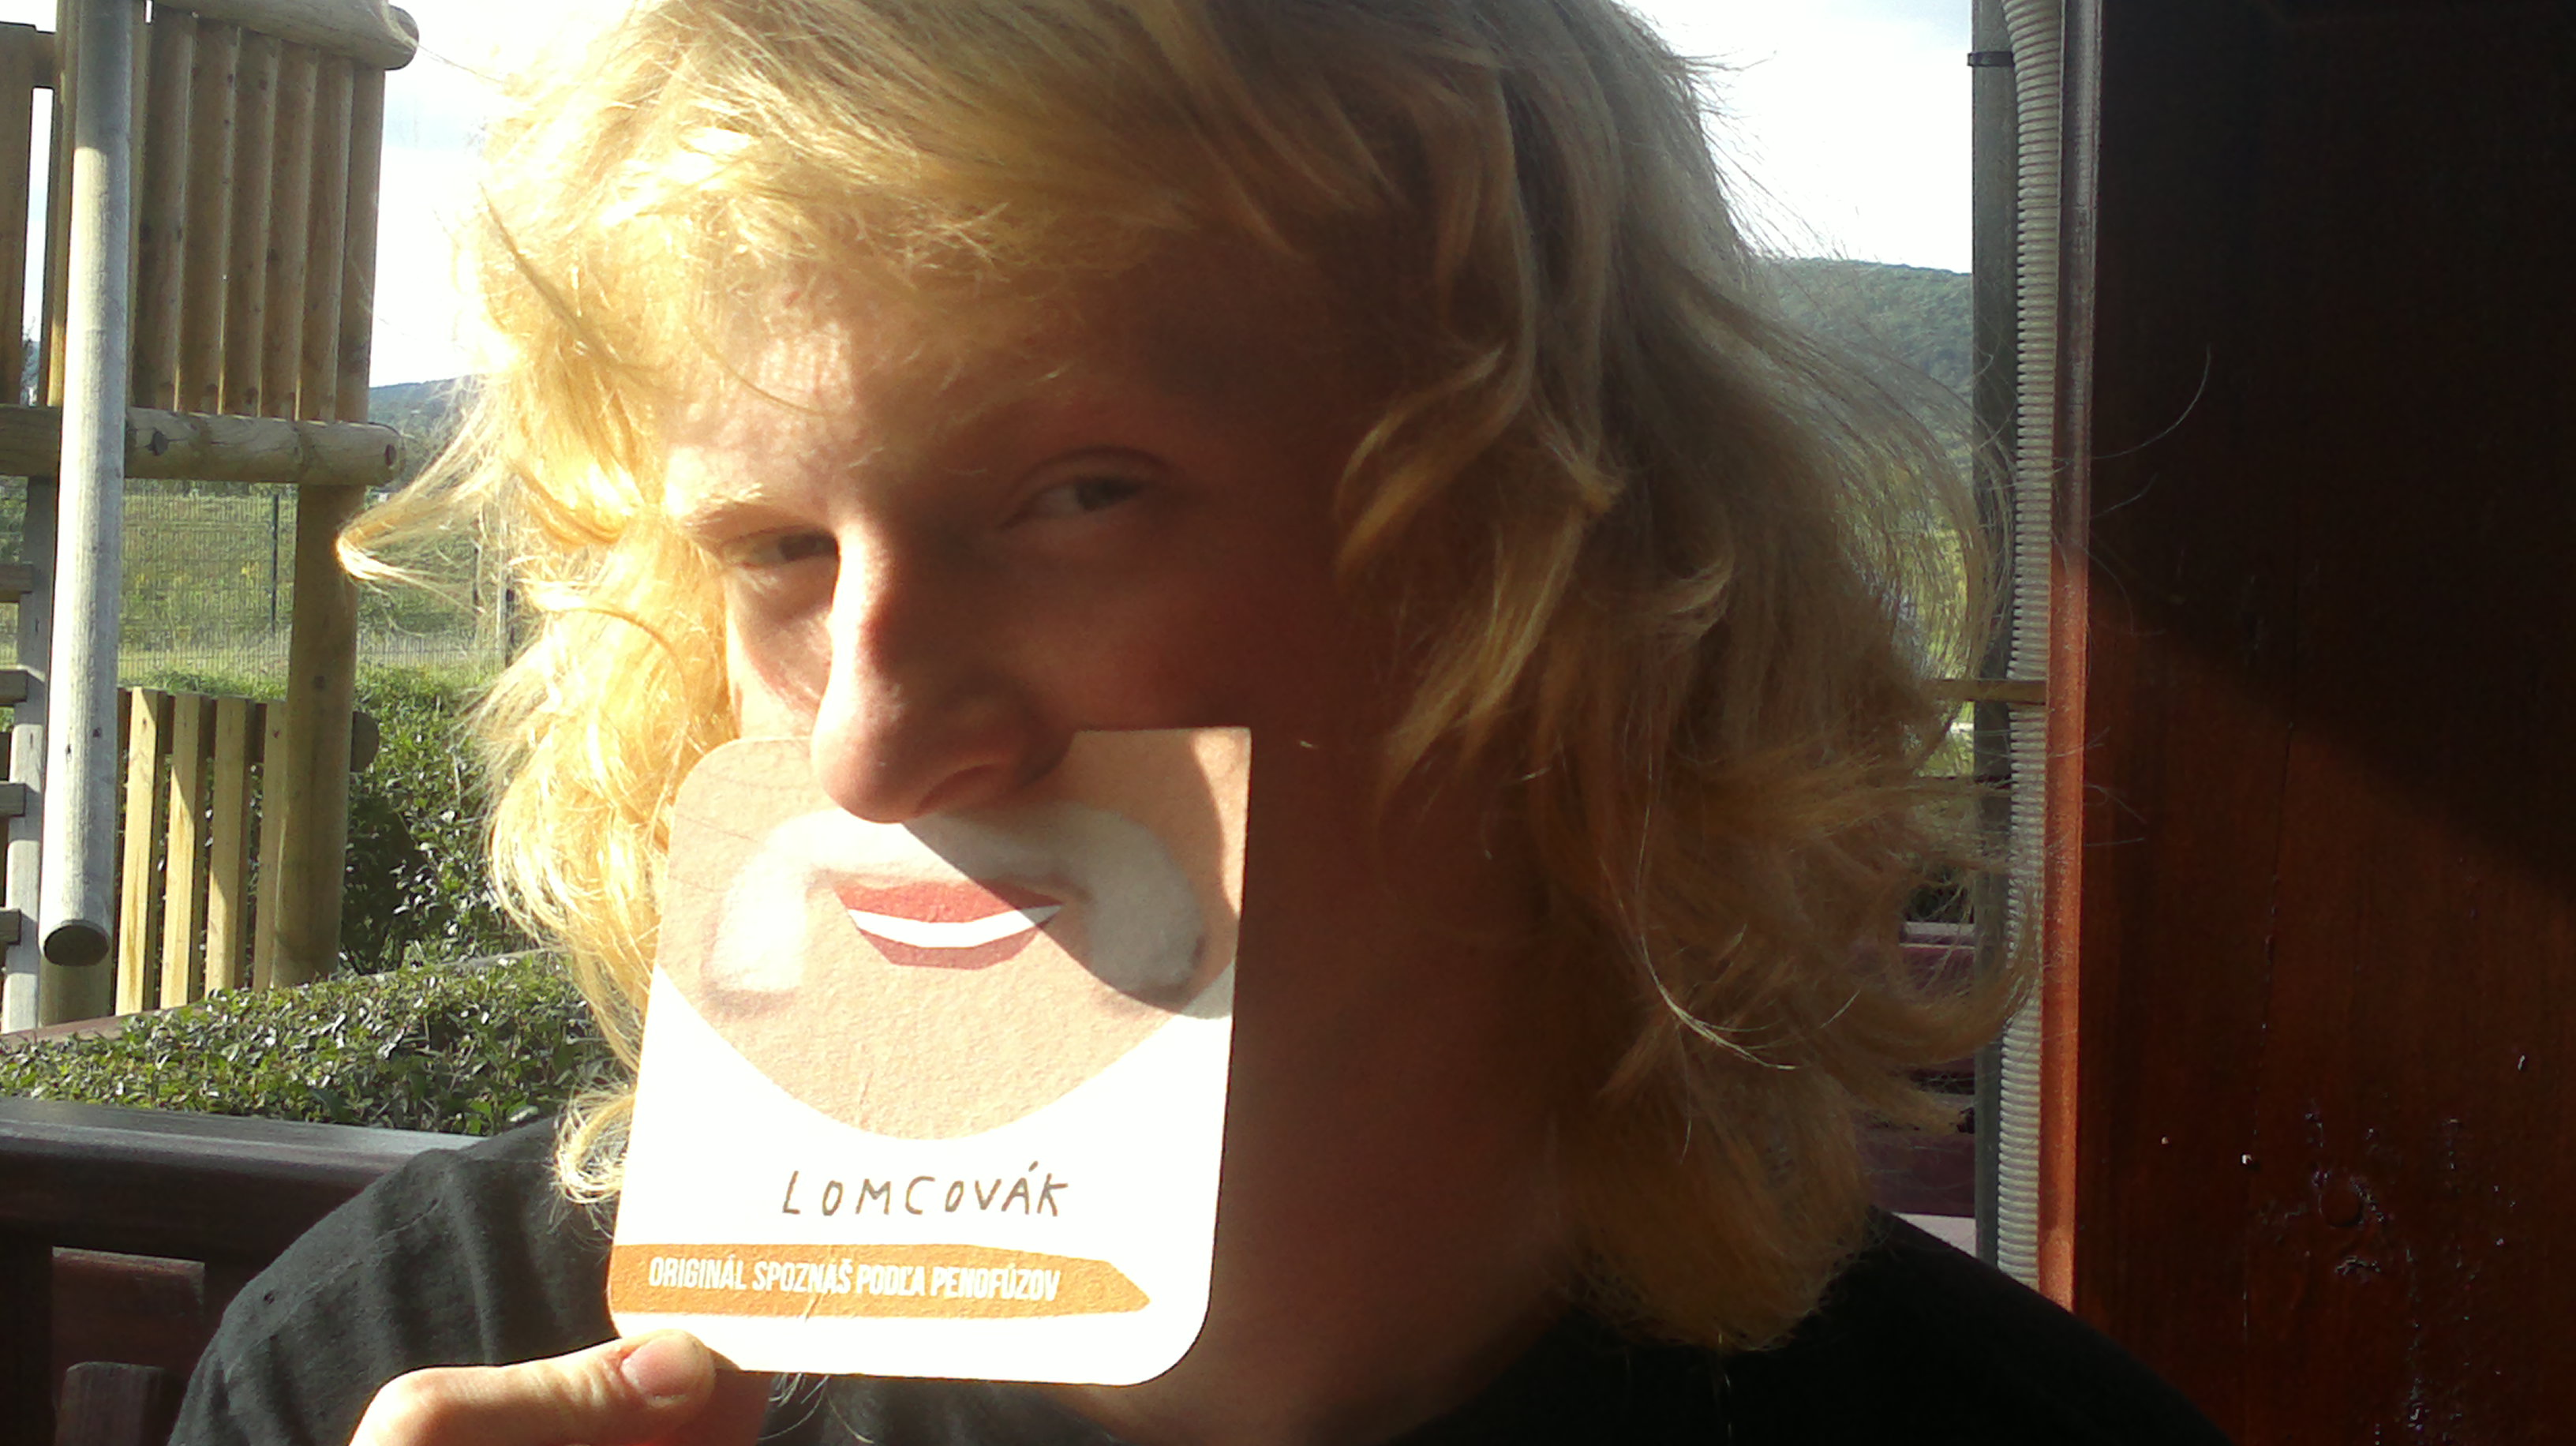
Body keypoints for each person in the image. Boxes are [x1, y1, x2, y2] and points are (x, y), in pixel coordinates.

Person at [174, 0, 2232, 1442]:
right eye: (779, 549)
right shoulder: (413, 1360)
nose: (870, 745)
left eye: (1082, 496)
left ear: (1571, 568)